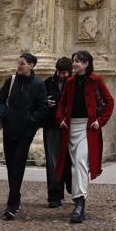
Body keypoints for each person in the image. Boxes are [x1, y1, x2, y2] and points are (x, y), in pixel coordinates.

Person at [55, 50, 114, 223]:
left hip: (87, 128)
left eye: (78, 61)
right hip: (70, 127)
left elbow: (109, 101)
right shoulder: (70, 82)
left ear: (86, 63)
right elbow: (62, 103)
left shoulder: (97, 81)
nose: (74, 64)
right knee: (73, 165)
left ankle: (79, 203)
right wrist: (60, 119)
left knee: (80, 161)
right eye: (74, 61)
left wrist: (101, 121)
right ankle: (77, 198)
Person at [0, 52, 48, 219]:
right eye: (18, 63)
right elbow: (0, 101)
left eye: (22, 63)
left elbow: (43, 107)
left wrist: (31, 121)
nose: (19, 66)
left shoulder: (38, 84)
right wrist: (4, 115)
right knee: (11, 164)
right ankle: (15, 197)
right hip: (9, 129)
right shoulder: (10, 81)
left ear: (31, 65)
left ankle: (11, 204)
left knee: (18, 163)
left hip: (25, 131)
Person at [42, 57, 73, 208]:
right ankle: (54, 195)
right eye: (59, 72)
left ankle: (71, 186)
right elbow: (39, 100)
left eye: (64, 73)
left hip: (70, 126)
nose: (61, 75)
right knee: (53, 162)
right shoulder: (48, 83)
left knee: (70, 159)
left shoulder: (74, 83)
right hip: (52, 126)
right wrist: (46, 103)